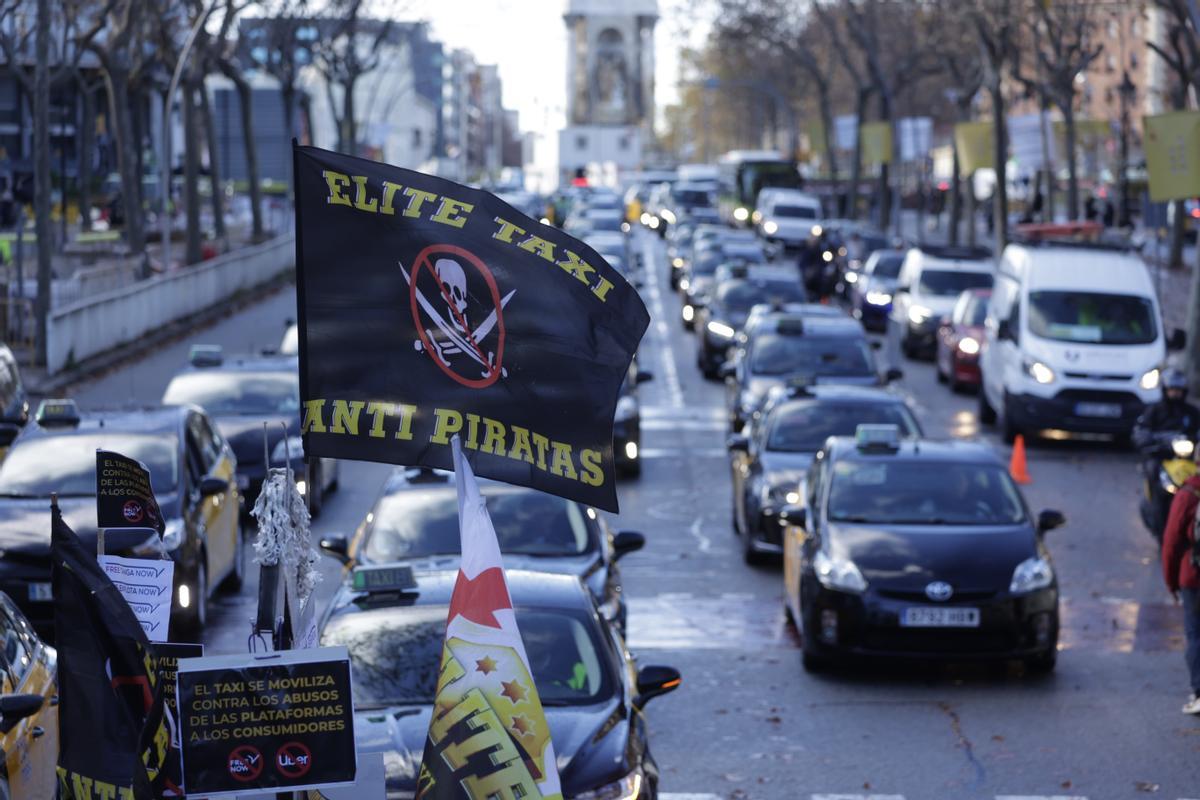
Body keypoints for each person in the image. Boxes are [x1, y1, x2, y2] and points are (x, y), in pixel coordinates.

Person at [1162, 444, 1200, 715]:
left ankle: (1199, 693)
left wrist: (1171, 581)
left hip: (1194, 578)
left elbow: (1172, 543)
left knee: (1196, 635)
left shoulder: (1188, 494)